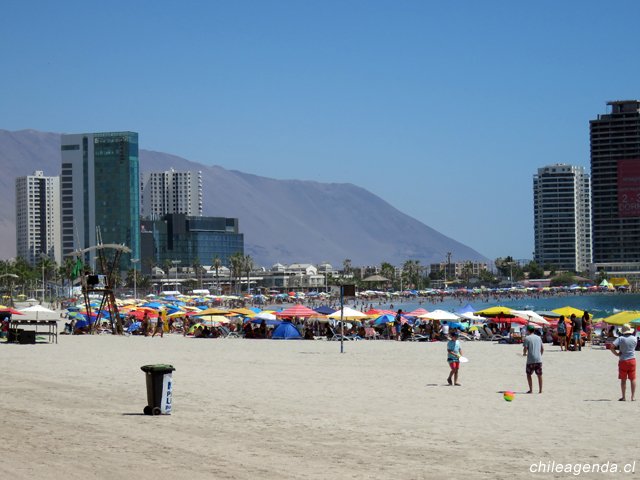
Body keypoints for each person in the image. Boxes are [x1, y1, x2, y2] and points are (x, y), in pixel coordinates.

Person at [610, 324, 637, 401]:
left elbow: (612, 347)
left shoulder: (620, 338)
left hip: (623, 360)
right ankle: (633, 397)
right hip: (632, 360)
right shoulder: (634, 338)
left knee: (623, 379)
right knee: (633, 379)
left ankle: (624, 397)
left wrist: (617, 354)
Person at [523, 325, 543, 393]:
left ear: (528, 330)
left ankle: (531, 390)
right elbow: (542, 349)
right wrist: (540, 355)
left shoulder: (527, 338)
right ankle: (540, 390)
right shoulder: (539, 338)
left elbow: (525, 348)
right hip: (539, 359)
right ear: (534, 330)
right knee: (539, 375)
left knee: (528, 374)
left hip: (530, 360)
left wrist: (524, 353)